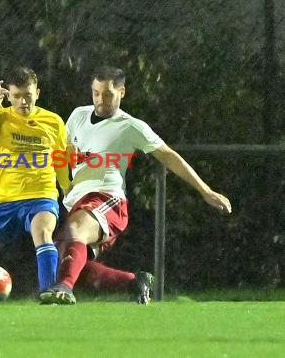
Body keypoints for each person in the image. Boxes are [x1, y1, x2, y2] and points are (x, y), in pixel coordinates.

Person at [40, 66, 232, 305]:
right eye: (96, 93)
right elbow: (65, 151)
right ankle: (133, 282)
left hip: (106, 198)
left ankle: (64, 289)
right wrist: (66, 177)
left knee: (75, 234)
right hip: (76, 201)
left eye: (108, 94)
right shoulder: (78, 115)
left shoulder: (130, 126)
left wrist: (205, 190)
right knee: (68, 262)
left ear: (122, 92)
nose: (100, 100)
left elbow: (168, 155)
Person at [0, 67, 71, 296]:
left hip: (42, 196)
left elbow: (60, 160)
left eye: (27, 96)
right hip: (3, 201)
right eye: (17, 96)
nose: (23, 102)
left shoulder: (53, 121)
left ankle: (48, 292)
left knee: (42, 233)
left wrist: (67, 189)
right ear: (8, 95)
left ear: (37, 93)